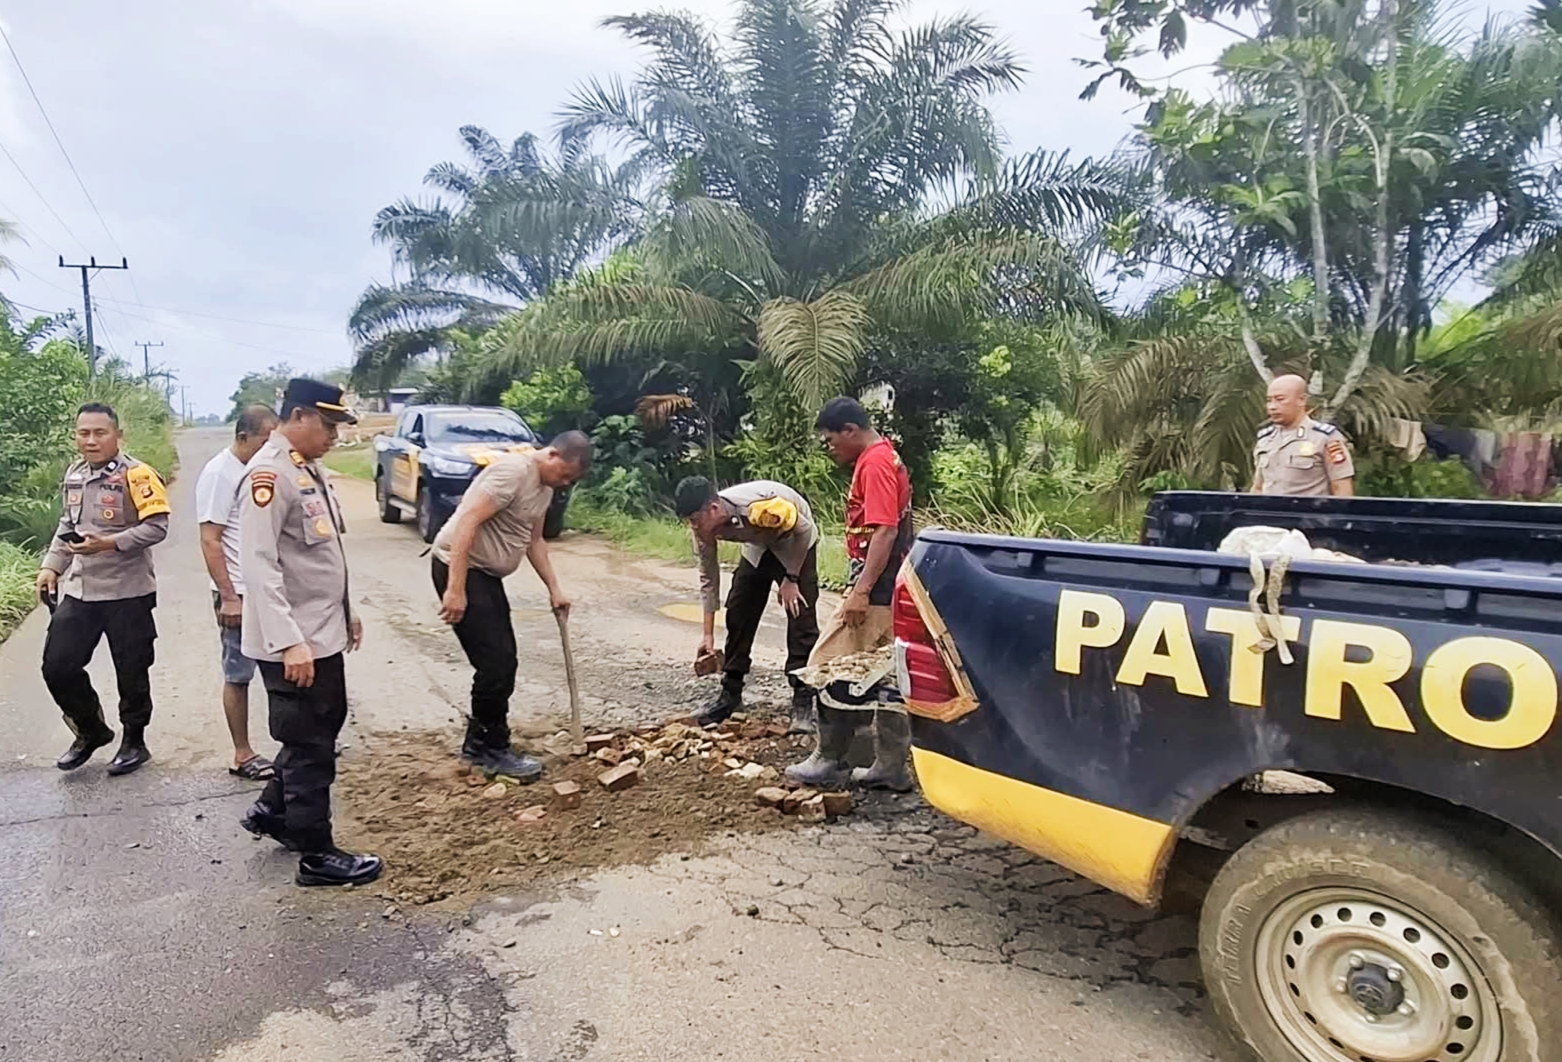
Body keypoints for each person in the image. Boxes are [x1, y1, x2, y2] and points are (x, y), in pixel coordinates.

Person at [237, 378, 381, 888]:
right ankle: (316, 855)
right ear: (298, 416)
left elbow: (319, 556)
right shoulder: (269, 475)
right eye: (328, 425)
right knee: (309, 745)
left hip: (321, 631)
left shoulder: (305, 468)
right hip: (295, 643)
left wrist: (347, 611)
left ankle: (273, 811)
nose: (335, 436)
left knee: (320, 727)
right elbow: (259, 565)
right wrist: (289, 641)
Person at [431, 432, 593, 781]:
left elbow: (534, 540)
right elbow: (468, 521)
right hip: (462, 569)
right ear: (552, 454)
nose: (565, 484)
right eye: (565, 475)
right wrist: (455, 589)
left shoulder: (545, 489)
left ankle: (484, 742)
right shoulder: (513, 472)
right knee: (496, 663)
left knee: (503, 661)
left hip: (486, 576)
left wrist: (555, 589)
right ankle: (487, 749)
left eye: (571, 481)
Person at [786, 396, 916, 792]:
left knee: (827, 665)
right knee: (886, 671)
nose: (829, 447)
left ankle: (830, 758)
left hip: (877, 587)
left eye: (831, 439)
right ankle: (890, 766)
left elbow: (885, 531)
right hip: (891, 583)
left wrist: (861, 592)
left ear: (850, 430)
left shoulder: (874, 463)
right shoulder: (885, 455)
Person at [37, 402, 171, 776]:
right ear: (76, 437)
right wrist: (51, 566)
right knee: (58, 666)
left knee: (132, 670)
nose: (91, 440)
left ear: (118, 435)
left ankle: (134, 741)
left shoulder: (138, 475)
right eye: (84, 433)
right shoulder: (75, 474)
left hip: (128, 591)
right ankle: (91, 729)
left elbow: (157, 527)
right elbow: (67, 525)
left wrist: (109, 543)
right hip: (82, 590)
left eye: (100, 432)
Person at [673, 475, 821, 733]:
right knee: (739, 610)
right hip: (757, 547)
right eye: (689, 521)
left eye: (695, 520)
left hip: (794, 543)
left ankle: (803, 698)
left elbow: (806, 530)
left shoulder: (760, 507)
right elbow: (708, 577)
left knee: (800, 613)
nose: (693, 527)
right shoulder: (703, 529)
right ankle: (731, 693)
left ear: (714, 509)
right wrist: (707, 635)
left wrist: (791, 579)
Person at [195, 404, 280, 780]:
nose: (271, 448)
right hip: (238, 595)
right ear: (243, 438)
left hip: (267, 589)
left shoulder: (263, 470)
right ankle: (242, 754)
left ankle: (296, 743)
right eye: (265, 440)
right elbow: (210, 539)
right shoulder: (220, 473)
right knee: (239, 673)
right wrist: (229, 596)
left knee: (283, 668)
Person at [1251, 374, 1355, 497]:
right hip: (1268, 509)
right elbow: (1258, 487)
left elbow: (1341, 489)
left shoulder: (1325, 438)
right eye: (1269, 400)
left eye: (1280, 399)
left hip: (1310, 509)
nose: (1272, 406)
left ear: (1302, 400)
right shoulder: (1266, 439)